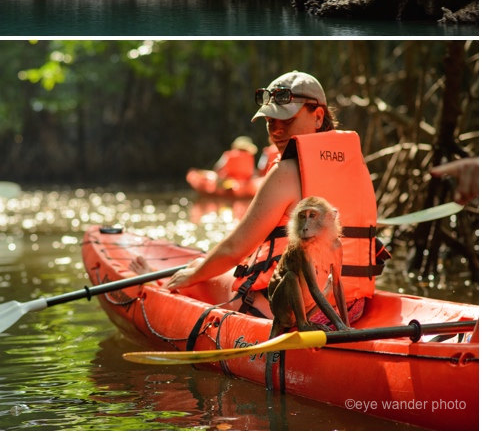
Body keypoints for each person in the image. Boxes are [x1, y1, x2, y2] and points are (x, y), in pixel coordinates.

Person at [161, 70, 385, 324]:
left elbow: (235, 249)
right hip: (352, 308)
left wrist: (193, 275)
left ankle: (153, 281)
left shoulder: (286, 172)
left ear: (318, 116)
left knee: (199, 272)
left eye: (286, 121)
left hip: (294, 311)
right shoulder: (357, 165)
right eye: (270, 122)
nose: (276, 132)